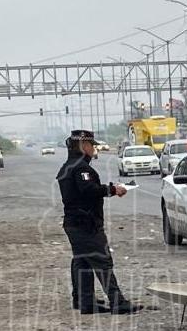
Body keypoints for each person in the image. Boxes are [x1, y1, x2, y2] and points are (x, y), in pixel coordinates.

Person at [57, 129, 141, 315]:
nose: (93, 148)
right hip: (85, 224)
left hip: (75, 223)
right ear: (82, 146)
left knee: (83, 261)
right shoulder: (80, 168)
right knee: (102, 260)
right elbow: (88, 190)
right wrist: (112, 190)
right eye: (90, 145)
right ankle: (117, 302)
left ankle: (84, 301)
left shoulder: (69, 166)